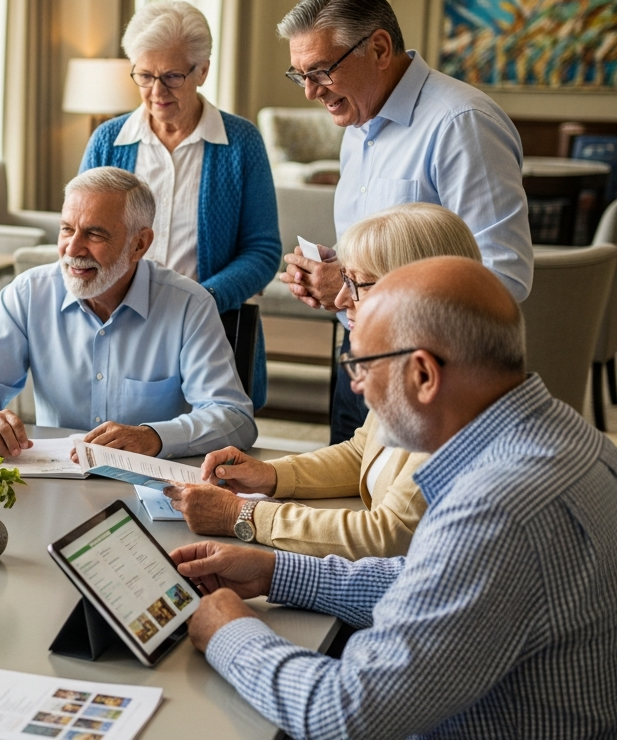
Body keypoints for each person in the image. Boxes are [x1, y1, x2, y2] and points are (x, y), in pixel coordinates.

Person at [172, 257, 617, 738]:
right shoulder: (569, 436)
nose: (356, 385)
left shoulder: (494, 511)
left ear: (423, 374)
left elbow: (344, 714)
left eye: (362, 365)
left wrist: (228, 631)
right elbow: (431, 581)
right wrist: (275, 572)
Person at [273, 0, 532, 444]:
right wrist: (336, 270)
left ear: (378, 48)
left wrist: (355, 287)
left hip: (430, 379)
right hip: (358, 356)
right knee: (347, 483)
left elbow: (502, 277)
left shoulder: (462, 123)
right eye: (300, 75)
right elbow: (392, 251)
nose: (310, 92)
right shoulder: (357, 122)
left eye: (321, 71)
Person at [164, 203, 480, 559]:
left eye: (356, 284)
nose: (342, 299)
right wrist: (269, 475)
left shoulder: (451, 398)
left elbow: (388, 535)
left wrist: (240, 514)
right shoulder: (409, 365)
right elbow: (361, 453)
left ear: (415, 292)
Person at [0, 166, 256, 460]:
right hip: (53, 484)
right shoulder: (27, 294)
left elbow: (234, 417)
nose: (72, 249)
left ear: (139, 244)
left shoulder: (190, 305)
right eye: (67, 229)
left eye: (94, 234)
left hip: (150, 484)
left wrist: (153, 437)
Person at [80, 0, 280, 409]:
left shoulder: (242, 143)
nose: (157, 92)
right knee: (115, 435)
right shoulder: (107, 142)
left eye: (172, 76)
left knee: (210, 439)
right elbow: (80, 238)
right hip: (119, 329)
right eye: (144, 75)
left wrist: (199, 302)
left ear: (202, 70)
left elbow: (262, 251)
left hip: (211, 331)